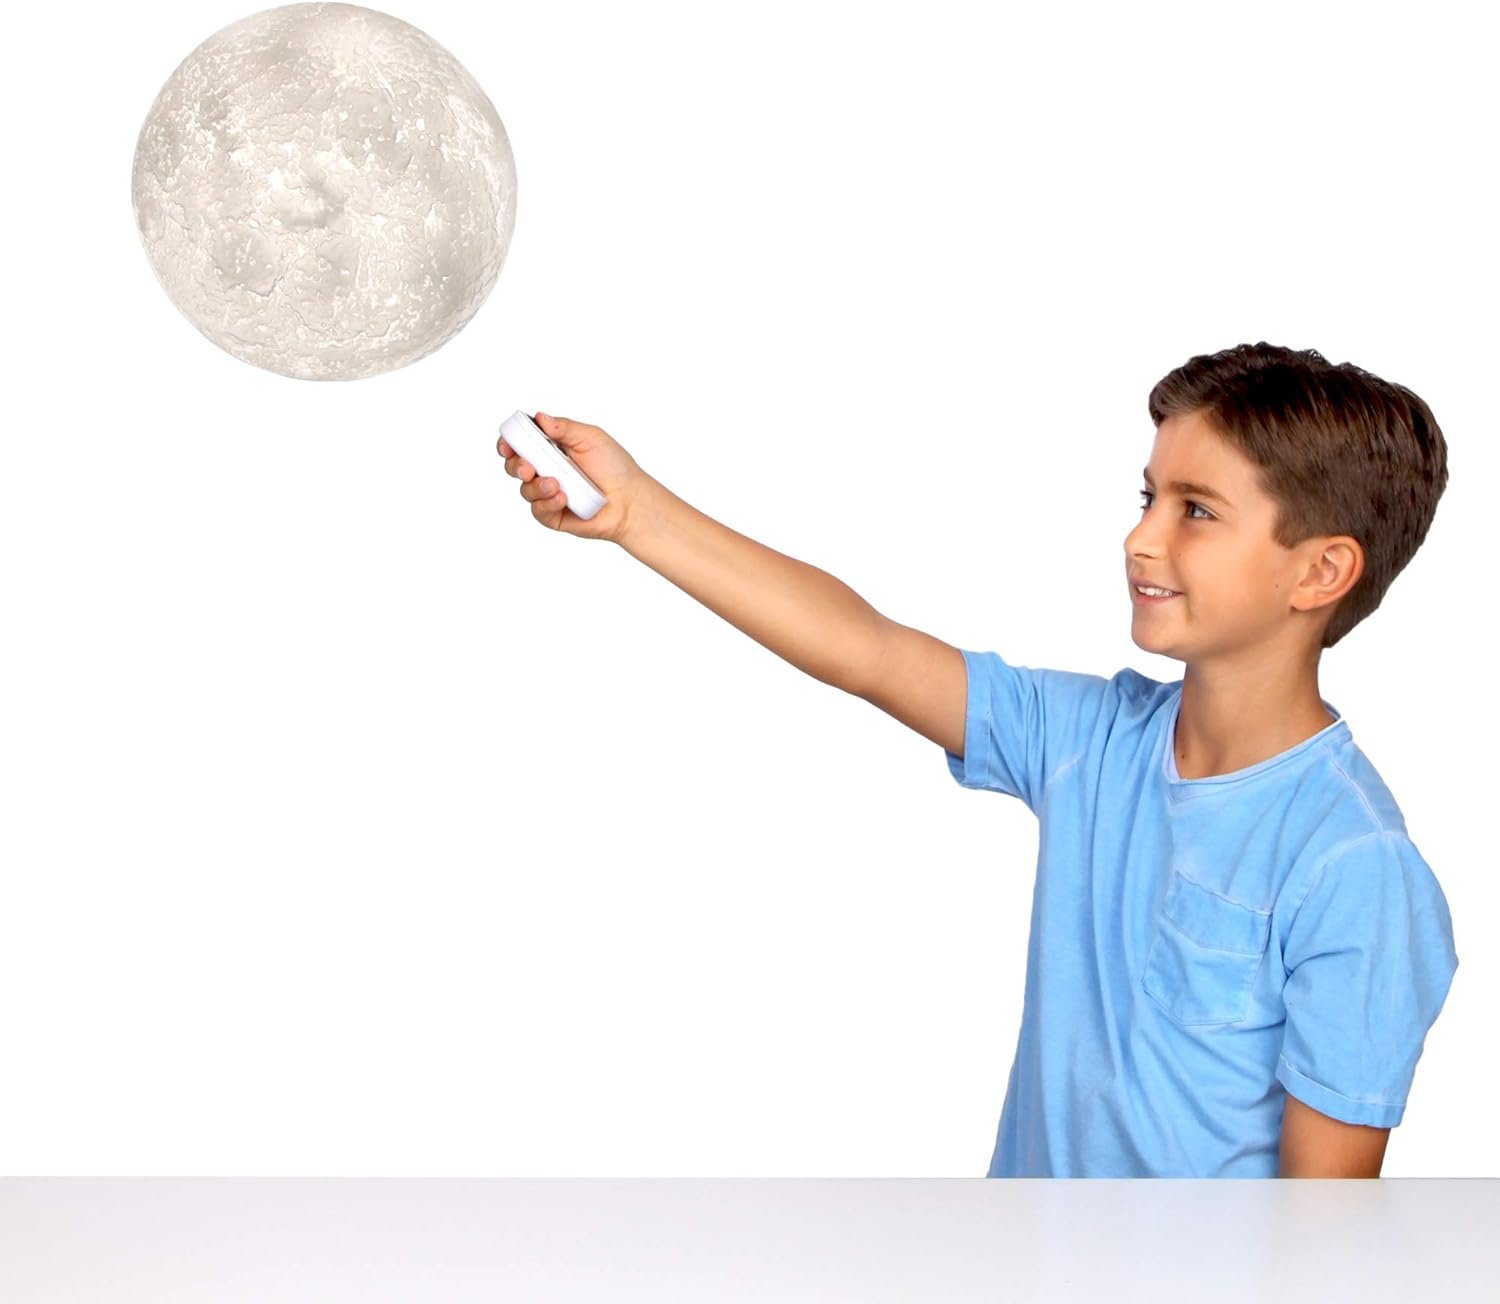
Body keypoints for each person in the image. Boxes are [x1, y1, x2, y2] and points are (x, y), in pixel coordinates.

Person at [497, 341, 1458, 1179]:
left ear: (1320, 571)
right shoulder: (1091, 742)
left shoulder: (1356, 868)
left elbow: (1321, 1237)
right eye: (1148, 497)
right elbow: (869, 650)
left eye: (1196, 510)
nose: (1140, 537)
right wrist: (636, 512)